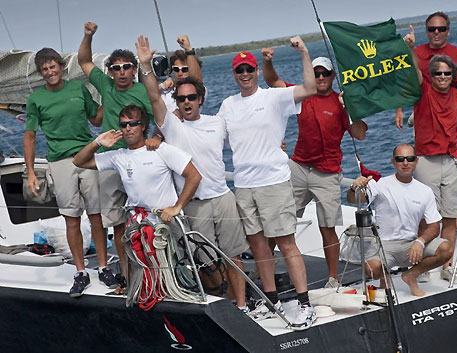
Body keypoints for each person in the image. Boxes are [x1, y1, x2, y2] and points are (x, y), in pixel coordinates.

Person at [135, 35, 248, 310]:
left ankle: (243, 305)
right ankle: (220, 306)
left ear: (201, 99)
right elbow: (153, 96)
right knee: (206, 262)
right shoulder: (172, 127)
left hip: (223, 198)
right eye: (181, 98)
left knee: (234, 257)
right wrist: (146, 66)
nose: (187, 102)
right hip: (194, 206)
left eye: (192, 98)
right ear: (177, 101)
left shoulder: (217, 122)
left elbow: (247, 138)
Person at [217, 36, 317, 331]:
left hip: (274, 182)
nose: (245, 74)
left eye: (249, 69)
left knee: (286, 243)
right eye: (240, 70)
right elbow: (214, 139)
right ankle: (269, 300)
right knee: (259, 247)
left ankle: (304, 304)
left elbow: (311, 89)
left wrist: (305, 53)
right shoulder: (227, 105)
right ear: (234, 75)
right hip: (245, 186)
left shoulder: (274, 97)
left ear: (257, 71)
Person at [262, 49, 367, 288]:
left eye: (325, 74)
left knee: (327, 227)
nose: (320, 78)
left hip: (328, 173)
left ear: (332, 77)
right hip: (298, 168)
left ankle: (332, 279)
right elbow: (271, 81)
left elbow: (360, 135)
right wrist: (267, 61)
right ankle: (264, 272)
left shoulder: (341, 103)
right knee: (280, 222)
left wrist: (350, 107)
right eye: (316, 73)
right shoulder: (302, 94)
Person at [23, 48, 117, 297]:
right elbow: (30, 136)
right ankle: (81, 271)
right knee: (71, 219)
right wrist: (31, 171)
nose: (49, 72)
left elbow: (96, 120)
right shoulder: (36, 100)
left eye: (53, 67)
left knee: (96, 216)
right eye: (44, 69)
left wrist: (110, 97)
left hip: (87, 157)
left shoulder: (78, 90)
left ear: (61, 67)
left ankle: (105, 267)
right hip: (59, 163)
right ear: (40, 73)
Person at [404, 26, 457, 283]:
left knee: (450, 216)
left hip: (451, 161)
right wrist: (409, 47)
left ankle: (446, 264)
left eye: (447, 73)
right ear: (432, 75)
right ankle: (424, 266)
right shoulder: (423, 91)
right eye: (437, 73)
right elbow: (414, 71)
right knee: (427, 217)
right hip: (426, 160)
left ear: (453, 75)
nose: (442, 76)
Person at [78, 22, 154, 286]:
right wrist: (88, 36)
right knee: (117, 223)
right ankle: (126, 273)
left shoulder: (144, 91)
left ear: (134, 70)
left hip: (139, 158)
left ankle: (154, 271)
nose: (121, 72)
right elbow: (84, 60)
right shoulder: (105, 85)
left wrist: (156, 139)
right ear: (109, 72)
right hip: (110, 161)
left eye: (126, 67)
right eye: (116, 68)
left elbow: (161, 120)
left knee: (149, 218)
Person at [347, 144, 453, 297]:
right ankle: (385, 277)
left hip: (411, 245)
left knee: (446, 249)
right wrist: (354, 187)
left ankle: (411, 275)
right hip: (384, 244)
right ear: (393, 162)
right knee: (371, 269)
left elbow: (434, 226)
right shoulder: (380, 184)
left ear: (416, 161)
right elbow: (352, 199)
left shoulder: (425, 191)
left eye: (410, 159)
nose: (405, 163)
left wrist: (420, 241)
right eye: (400, 159)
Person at [72, 104, 201, 228]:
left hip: (167, 221)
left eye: (133, 124)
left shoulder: (160, 150)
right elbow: (79, 161)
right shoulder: (118, 157)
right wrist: (98, 142)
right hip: (139, 226)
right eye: (123, 125)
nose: (128, 128)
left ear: (143, 126)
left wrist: (177, 207)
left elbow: (194, 176)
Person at [395, 11, 457, 129]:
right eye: (432, 29)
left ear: (448, 31)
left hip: (448, 112)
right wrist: (399, 110)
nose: (436, 32)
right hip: (423, 113)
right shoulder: (416, 54)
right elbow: (406, 83)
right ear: (426, 32)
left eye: (441, 29)